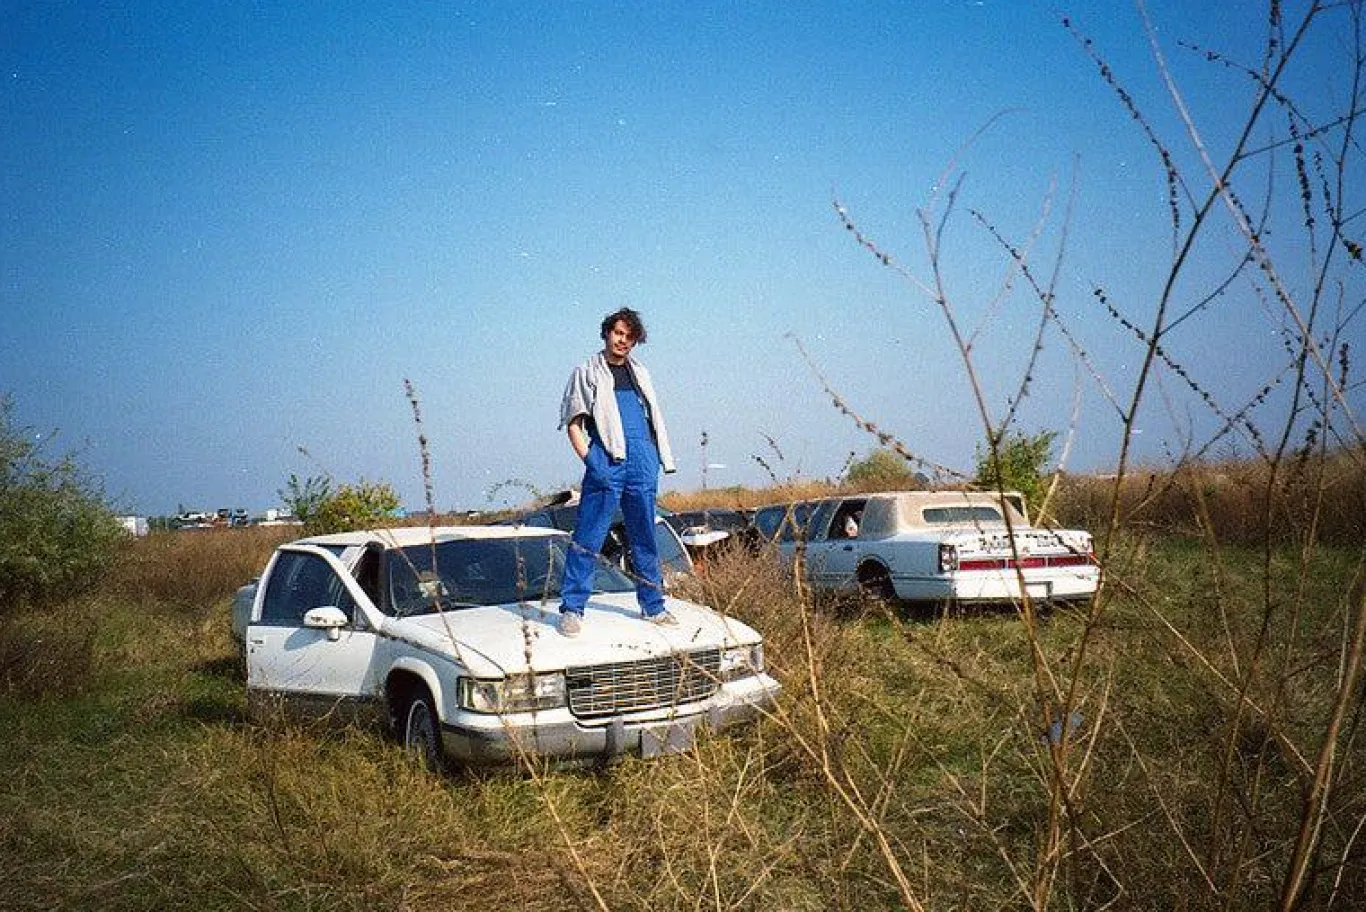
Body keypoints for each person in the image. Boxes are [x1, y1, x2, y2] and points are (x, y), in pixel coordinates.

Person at [556, 308, 677, 636]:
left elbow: (652, 419)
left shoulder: (641, 373)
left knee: (644, 535)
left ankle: (653, 605)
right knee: (588, 535)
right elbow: (574, 423)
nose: (623, 341)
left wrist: (653, 458)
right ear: (607, 333)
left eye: (630, 337)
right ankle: (572, 609)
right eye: (618, 333)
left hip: (642, 462)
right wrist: (592, 461)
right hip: (607, 461)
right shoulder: (586, 371)